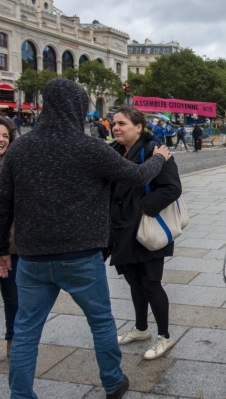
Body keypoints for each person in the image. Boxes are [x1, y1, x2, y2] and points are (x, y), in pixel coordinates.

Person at [0, 78, 172, 399]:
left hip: (33, 257)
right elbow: (136, 176)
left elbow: (4, 204)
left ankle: (20, 394)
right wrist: (159, 157)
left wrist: (2, 250)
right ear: (79, 108)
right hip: (80, 255)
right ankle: (112, 382)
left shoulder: (20, 147)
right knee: (101, 322)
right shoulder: (89, 147)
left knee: (25, 331)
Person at [109, 106, 182, 360]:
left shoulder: (154, 151)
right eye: (114, 123)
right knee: (133, 280)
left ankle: (165, 336)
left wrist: (141, 209)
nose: (116, 127)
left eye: (122, 123)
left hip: (145, 228)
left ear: (138, 127)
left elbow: (172, 188)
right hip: (121, 229)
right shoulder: (114, 151)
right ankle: (141, 328)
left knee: (151, 283)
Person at [0, 117, 18, 359]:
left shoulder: (13, 166)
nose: (1, 140)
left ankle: (13, 342)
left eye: (5, 136)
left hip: (9, 245)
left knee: (12, 297)